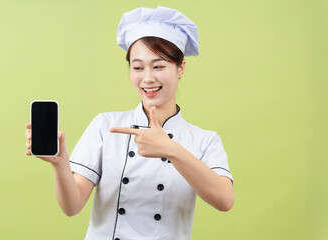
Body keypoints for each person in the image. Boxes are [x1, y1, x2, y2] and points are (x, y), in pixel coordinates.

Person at [25, 6, 233, 240]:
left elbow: (225, 200)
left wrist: (171, 150)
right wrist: (60, 163)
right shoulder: (106, 125)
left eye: (158, 66)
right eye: (137, 67)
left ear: (181, 68)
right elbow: (72, 207)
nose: (147, 78)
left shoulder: (204, 140)